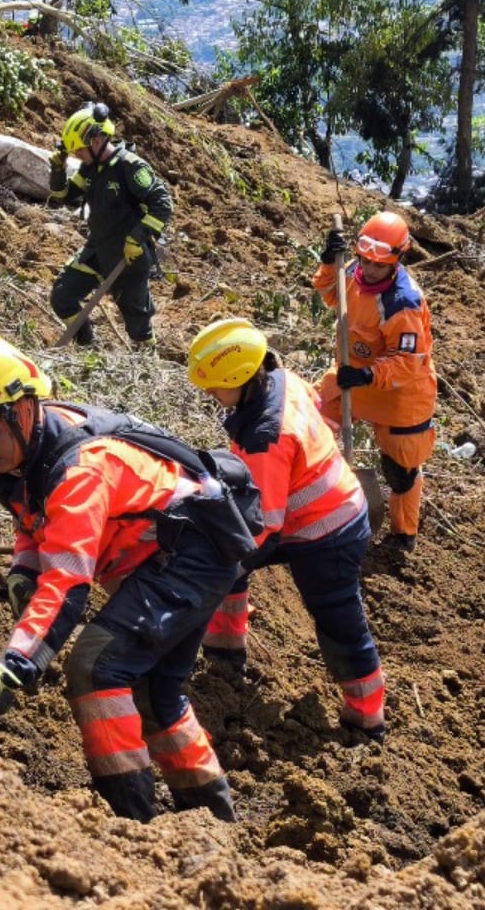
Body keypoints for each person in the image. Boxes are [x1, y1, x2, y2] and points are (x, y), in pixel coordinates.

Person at [0, 334, 260, 823]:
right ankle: (213, 819)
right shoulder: (33, 450)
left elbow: (67, 584)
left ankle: (130, 824)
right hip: (176, 554)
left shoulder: (79, 471)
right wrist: (24, 570)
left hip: (192, 554)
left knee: (96, 667)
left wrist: (17, 664)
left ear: (24, 409)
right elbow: (36, 524)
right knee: (154, 690)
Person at [187, 318, 388, 741]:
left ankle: (366, 716)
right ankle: (225, 650)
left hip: (328, 531)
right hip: (315, 507)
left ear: (243, 378)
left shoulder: (265, 438)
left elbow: (265, 525)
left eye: (216, 386)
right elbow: (315, 406)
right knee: (227, 560)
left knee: (337, 615)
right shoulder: (283, 378)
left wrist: (224, 556)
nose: (211, 395)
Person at [312, 211, 438, 555]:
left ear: (397, 260)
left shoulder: (404, 303)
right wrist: (328, 262)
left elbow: (407, 363)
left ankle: (402, 536)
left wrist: (368, 374)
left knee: (401, 470)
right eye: (364, 260)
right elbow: (329, 293)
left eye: (377, 266)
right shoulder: (351, 272)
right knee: (313, 423)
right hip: (354, 376)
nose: (368, 270)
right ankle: (312, 505)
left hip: (402, 393)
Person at [45, 103, 172, 346]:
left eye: (79, 151)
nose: (77, 156)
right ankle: (87, 347)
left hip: (129, 257)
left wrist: (137, 238)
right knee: (62, 297)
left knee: (138, 325)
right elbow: (63, 197)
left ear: (96, 140)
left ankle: (146, 368)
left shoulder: (130, 167)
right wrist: (58, 169)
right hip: (97, 250)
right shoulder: (90, 168)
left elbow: (162, 204)